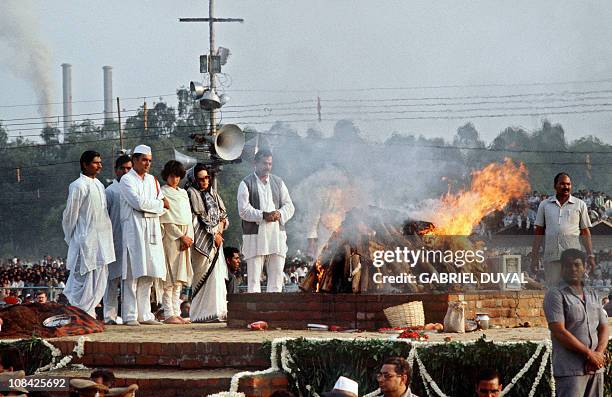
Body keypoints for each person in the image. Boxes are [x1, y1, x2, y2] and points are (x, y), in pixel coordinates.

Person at [543, 249, 609, 397]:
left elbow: (604, 327)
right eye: (568, 265)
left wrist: (598, 354)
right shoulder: (555, 294)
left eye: (577, 265)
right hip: (570, 370)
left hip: (595, 367)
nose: (572, 269)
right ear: (562, 268)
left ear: (585, 267)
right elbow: (559, 331)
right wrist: (589, 354)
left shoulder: (592, 294)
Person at [62, 150, 115, 318]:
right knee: (82, 278)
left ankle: (89, 313)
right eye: (95, 162)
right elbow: (70, 215)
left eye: (100, 162)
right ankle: (78, 312)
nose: (100, 165)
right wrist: (72, 237)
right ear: (85, 164)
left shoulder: (99, 185)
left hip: (102, 241)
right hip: (85, 240)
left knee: (100, 276)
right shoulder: (78, 185)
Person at [119, 144, 168, 326]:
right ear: (135, 160)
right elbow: (137, 202)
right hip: (134, 230)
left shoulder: (153, 180)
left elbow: (164, 203)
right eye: (144, 160)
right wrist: (155, 207)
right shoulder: (127, 180)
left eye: (149, 160)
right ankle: (130, 315)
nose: (147, 163)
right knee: (133, 273)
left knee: (148, 273)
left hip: (152, 231)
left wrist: (153, 208)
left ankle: (145, 314)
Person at [237, 149, 295, 292]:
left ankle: (274, 311)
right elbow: (243, 210)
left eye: (270, 164)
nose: (267, 167)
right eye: (264, 163)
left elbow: (290, 206)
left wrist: (279, 214)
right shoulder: (246, 183)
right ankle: (253, 311)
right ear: (255, 163)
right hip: (255, 235)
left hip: (276, 234)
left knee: (276, 277)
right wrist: (263, 215)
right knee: (254, 279)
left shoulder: (278, 182)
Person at [532, 173, 594, 287]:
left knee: (573, 290)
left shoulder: (580, 204)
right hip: (552, 257)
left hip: (573, 258)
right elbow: (538, 232)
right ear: (555, 186)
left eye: (568, 184)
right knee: (553, 290)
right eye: (562, 184)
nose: (566, 187)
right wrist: (534, 257)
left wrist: (590, 255)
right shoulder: (545, 205)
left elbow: (585, 232)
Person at [186, 164, 228, 322]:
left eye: (206, 178)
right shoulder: (191, 193)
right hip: (201, 242)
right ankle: (200, 314)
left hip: (217, 240)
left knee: (216, 278)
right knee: (202, 276)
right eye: (200, 179)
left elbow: (223, 216)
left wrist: (219, 231)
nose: (204, 181)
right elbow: (196, 219)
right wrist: (213, 234)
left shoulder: (214, 194)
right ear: (194, 179)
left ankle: (217, 312)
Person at [159, 160, 193, 324]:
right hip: (171, 238)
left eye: (178, 176)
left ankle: (177, 312)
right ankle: (168, 313)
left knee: (180, 278)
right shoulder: (162, 192)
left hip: (186, 237)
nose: (175, 180)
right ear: (167, 176)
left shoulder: (183, 193)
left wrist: (189, 237)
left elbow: (188, 217)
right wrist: (180, 236)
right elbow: (166, 219)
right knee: (169, 277)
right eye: (172, 176)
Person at [103, 154, 132, 325]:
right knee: (112, 281)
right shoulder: (110, 191)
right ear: (116, 171)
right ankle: (109, 316)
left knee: (129, 282)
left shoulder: (135, 189)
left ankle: (129, 315)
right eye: (123, 168)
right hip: (114, 242)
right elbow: (104, 219)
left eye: (129, 168)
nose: (126, 171)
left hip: (131, 243)